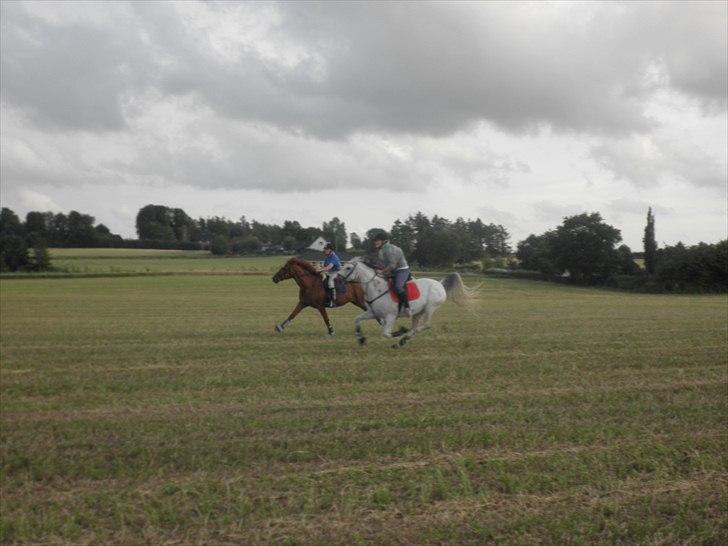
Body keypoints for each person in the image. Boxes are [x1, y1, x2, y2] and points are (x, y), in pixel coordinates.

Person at [372, 232, 412, 316]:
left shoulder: (390, 250)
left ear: (383, 241)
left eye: (377, 241)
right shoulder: (381, 249)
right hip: (392, 270)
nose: (375, 242)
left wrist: (382, 271)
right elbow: (383, 264)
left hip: (402, 270)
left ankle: (407, 307)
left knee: (398, 287)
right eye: (375, 241)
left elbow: (392, 265)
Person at [316, 243, 341, 308]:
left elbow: (328, 267)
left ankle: (333, 302)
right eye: (324, 249)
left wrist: (320, 270)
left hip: (335, 272)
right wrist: (318, 267)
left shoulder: (334, 257)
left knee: (330, 282)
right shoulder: (327, 257)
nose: (324, 250)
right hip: (329, 272)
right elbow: (324, 266)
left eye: (326, 249)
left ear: (330, 250)